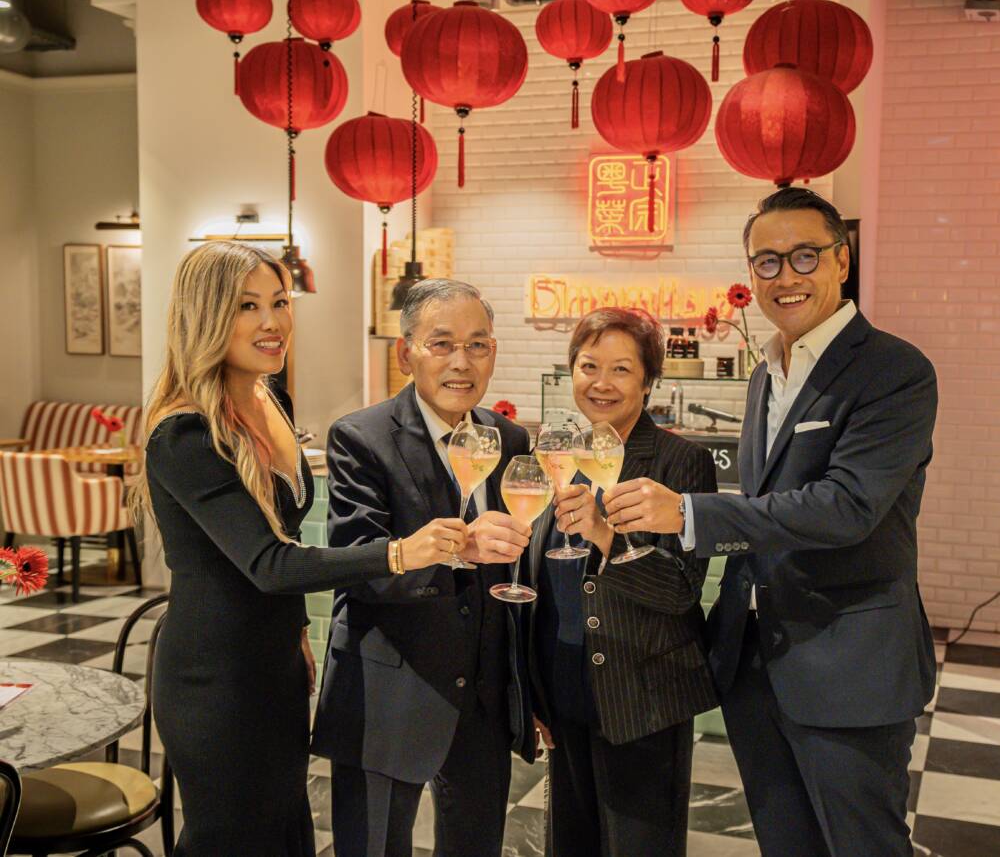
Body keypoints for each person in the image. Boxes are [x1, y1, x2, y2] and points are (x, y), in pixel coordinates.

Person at [603, 188, 938, 857]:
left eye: (805, 256)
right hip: (756, 659)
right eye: (766, 262)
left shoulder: (893, 370)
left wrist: (690, 512)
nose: (785, 276)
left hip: (849, 661)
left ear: (843, 261)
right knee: (785, 841)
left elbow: (847, 507)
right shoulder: (768, 371)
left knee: (863, 842)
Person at [138, 243, 466, 856]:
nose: (273, 322)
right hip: (216, 680)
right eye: (248, 306)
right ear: (205, 316)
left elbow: (277, 543)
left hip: (277, 668)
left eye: (281, 302)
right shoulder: (183, 433)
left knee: (284, 833)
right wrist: (400, 553)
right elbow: (270, 563)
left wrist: (293, 637)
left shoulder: (270, 400)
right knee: (231, 839)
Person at [311, 279, 535, 857]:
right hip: (390, 686)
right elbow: (359, 567)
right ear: (405, 352)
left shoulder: (507, 437)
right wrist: (458, 549)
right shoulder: (361, 438)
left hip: (482, 694)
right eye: (442, 344)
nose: (463, 362)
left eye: (479, 345)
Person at [526, 307, 718, 857]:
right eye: (589, 366)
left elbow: (680, 590)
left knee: (640, 844)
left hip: (642, 693)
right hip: (565, 684)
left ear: (649, 381)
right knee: (572, 841)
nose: (601, 383)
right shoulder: (560, 459)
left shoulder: (681, 462)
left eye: (621, 370)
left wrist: (609, 538)